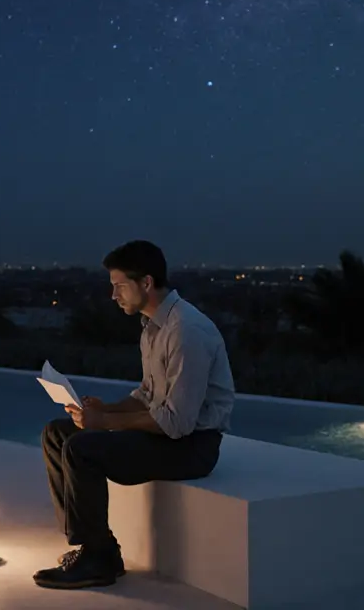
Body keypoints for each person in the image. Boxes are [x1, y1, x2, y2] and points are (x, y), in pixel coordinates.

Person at [33, 240, 236, 590]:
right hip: (169, 435)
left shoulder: (186, 331)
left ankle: (98, 559)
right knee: (57, 434)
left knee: (83, 449)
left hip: (193, 447)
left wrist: (105, 424)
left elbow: (177, 423)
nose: (114, 296)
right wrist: (103, 409)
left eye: (119, 286)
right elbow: (147, 395)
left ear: (146, 282)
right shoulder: (153, 326)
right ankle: (98, 548)